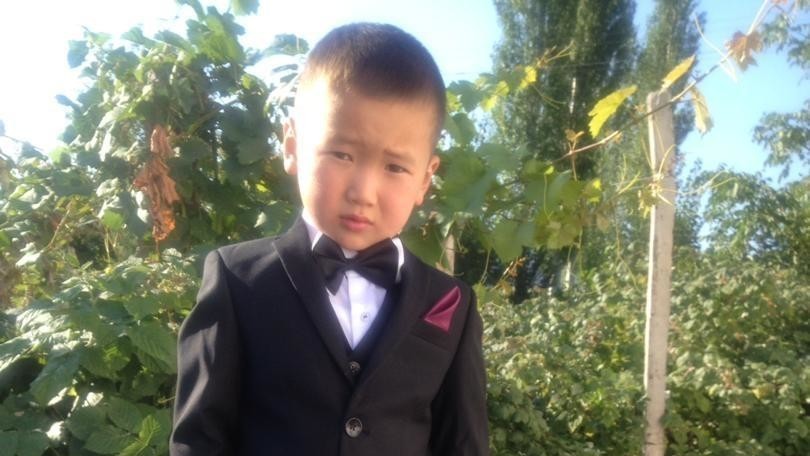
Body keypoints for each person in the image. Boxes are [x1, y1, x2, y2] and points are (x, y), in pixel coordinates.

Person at [170, 22, 488, 456]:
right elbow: (200, 440)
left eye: (395, 167)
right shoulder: (238, 280)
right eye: (341, 154)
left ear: (425, 179)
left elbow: (464, 445)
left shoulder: (452, 304)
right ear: (292, 146)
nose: (363, 192)